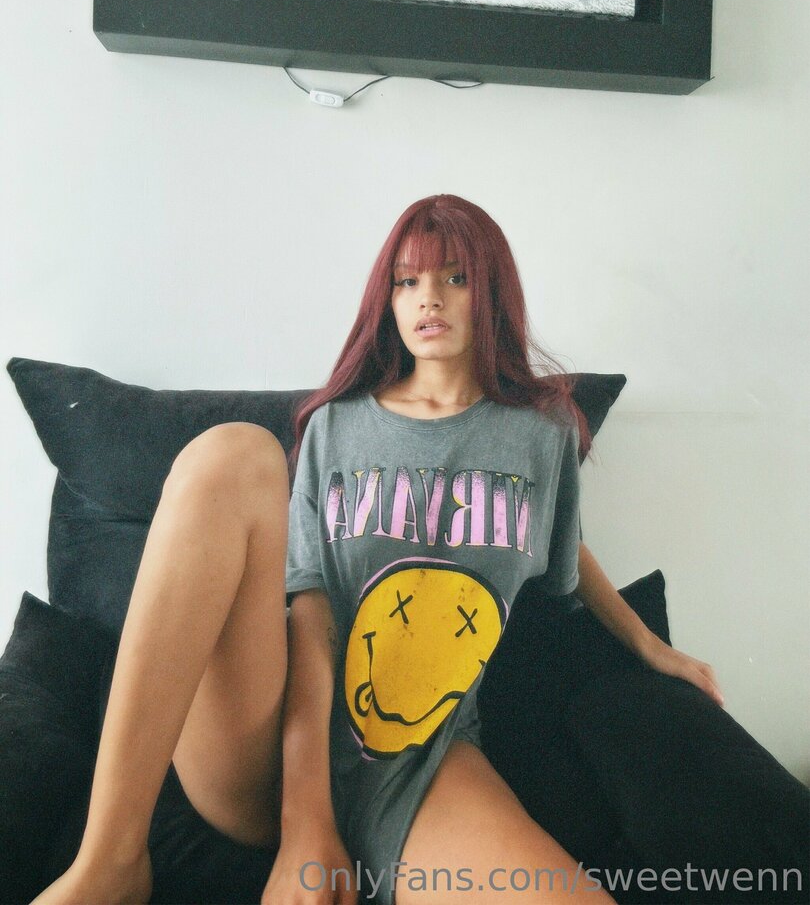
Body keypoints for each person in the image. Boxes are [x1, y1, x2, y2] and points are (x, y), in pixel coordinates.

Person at [33, 195, 723, 905]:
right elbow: (311, 618)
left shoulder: (541, 434)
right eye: (407, 280)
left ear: (492, 293)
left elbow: (563, 546)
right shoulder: (336, 427)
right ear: (386, 300)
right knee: (230, 452)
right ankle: (110, 863)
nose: (429, 297)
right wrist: (306, 824)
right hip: (267, 744)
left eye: (455, 277)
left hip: (422, 763)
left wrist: (648, 645)